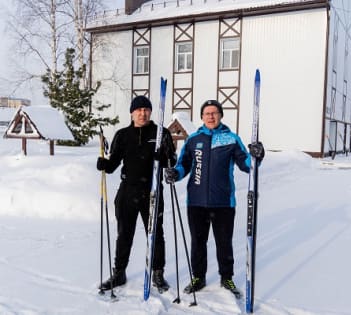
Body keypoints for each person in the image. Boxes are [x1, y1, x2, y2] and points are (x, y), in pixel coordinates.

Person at [164, 99, 264, 296]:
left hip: (224, 202)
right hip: (196, 202)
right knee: (197, 242)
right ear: (201, 117)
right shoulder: (193, 139)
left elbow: (247, 165)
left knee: (224, 242)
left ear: (220, 116)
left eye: (214, 113)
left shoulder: (231, 139)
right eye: (207, 113)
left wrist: (257, 155)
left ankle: (226, 277)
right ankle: (198, 277)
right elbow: (184, 164)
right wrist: (175, 174)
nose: (211, 116)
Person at [96, 95, 176, 292]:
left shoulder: (161, 134)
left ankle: (158, 273)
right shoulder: (122, 135)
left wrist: (164, 157)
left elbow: (172, 162)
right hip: (128, 191)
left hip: (152, 191)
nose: (142, 113)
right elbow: (114, 164)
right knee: (124, 234)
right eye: (138, 110)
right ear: (132, 113)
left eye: (146, 109)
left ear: (150, 112)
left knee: (156, 233)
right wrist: (104, 164)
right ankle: (119, 272)